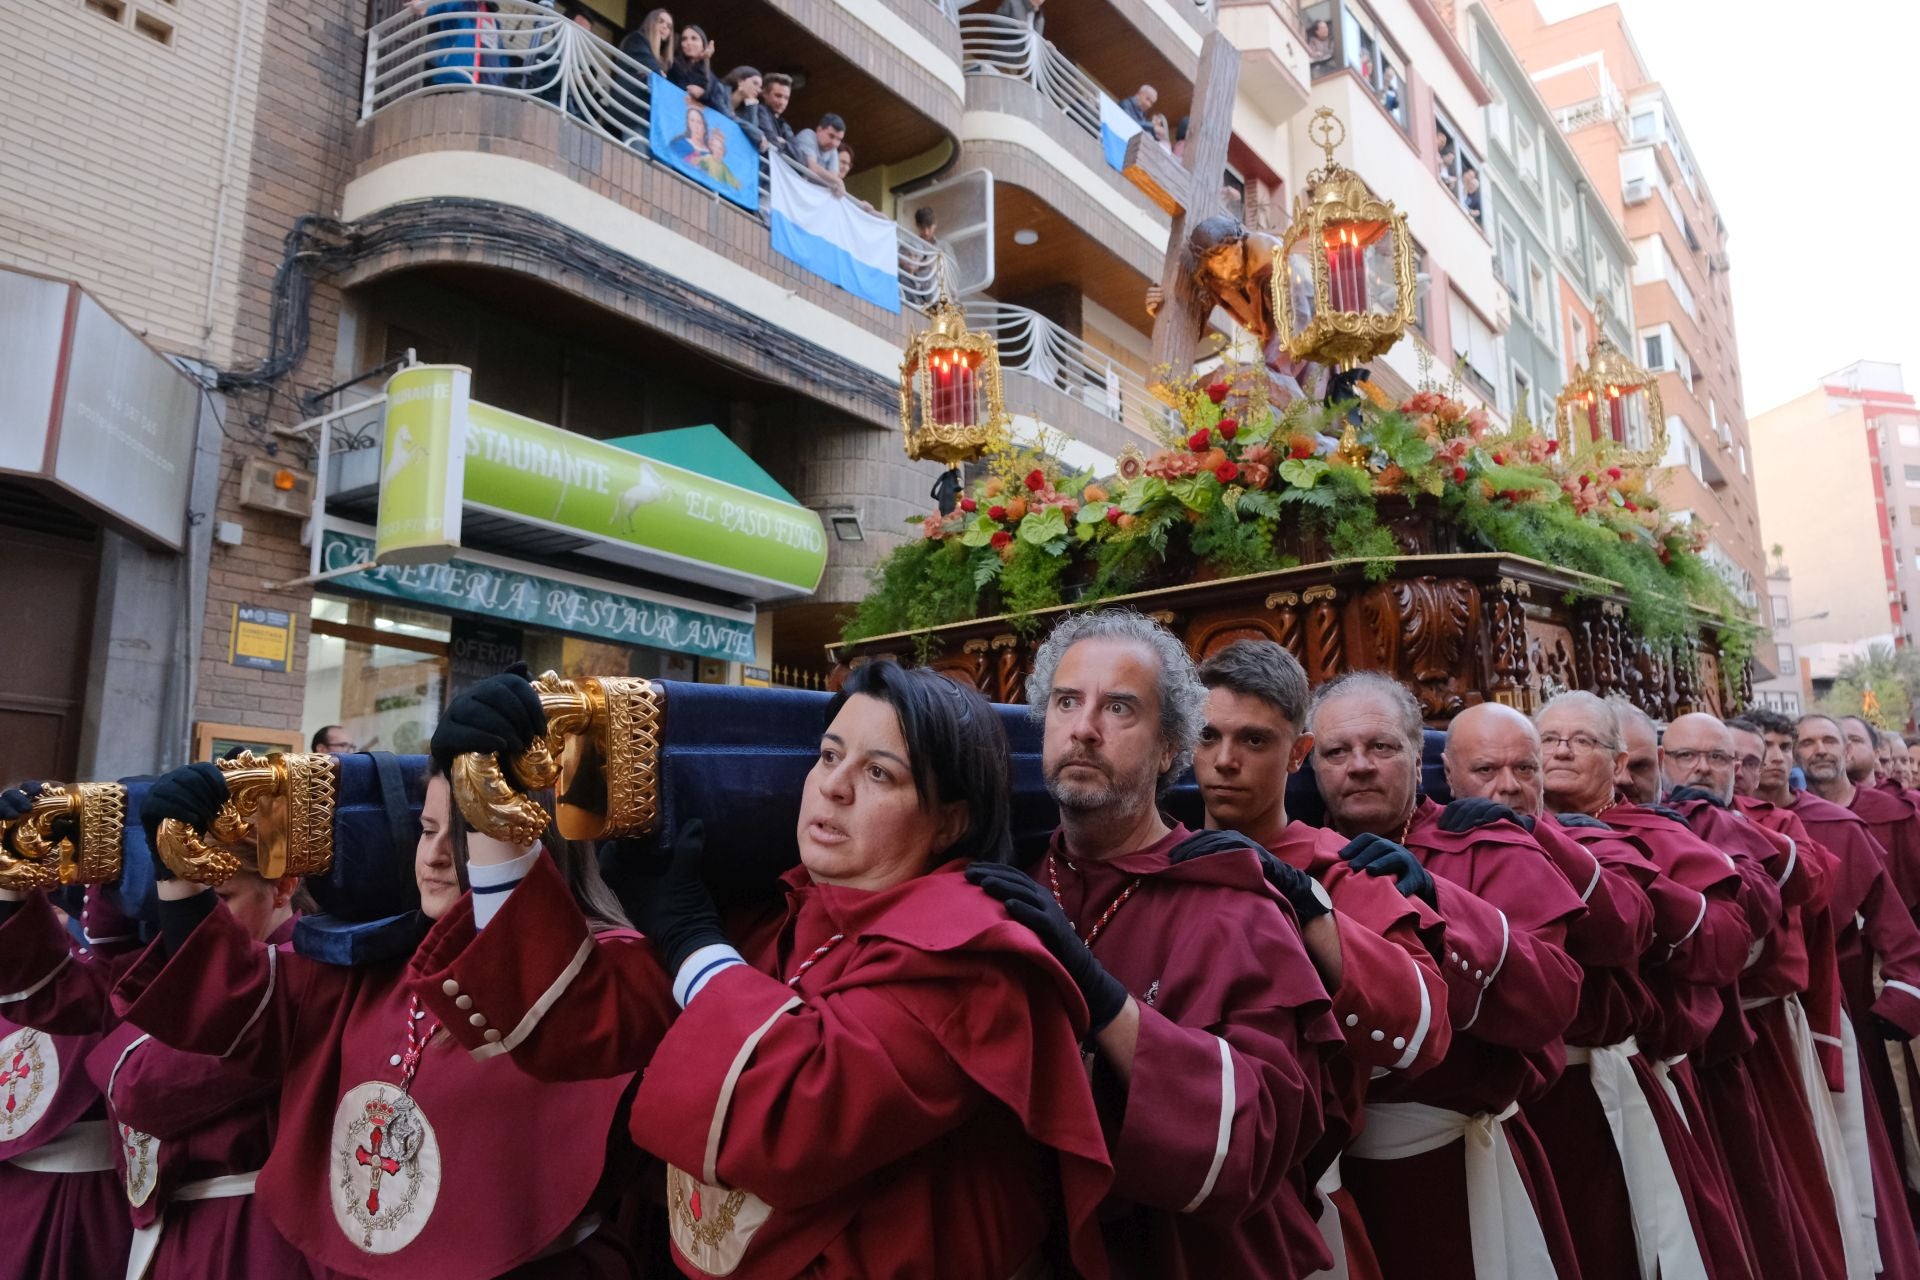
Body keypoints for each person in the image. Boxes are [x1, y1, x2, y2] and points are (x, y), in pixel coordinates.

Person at [413, 662, 1114, 1278]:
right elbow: (578, 1020)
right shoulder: (783, 914)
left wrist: (691, 940)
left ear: (951, 821)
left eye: (879, 773)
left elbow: (794, 1107)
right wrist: (494, 815)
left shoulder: (974, 954)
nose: (833, 787)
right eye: (829, 755)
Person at [113, 687, 667, 1277]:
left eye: (463, 834)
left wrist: (496, 821)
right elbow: (228, 1005)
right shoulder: (375, 959)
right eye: (427, 831)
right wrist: (181, 874)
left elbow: (548, 1000)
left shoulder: (608, 967)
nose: (434, 857)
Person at [970, 610, 1342, 1278]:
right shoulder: (1008, 890)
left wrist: (1108, 1003)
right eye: (1066, 702)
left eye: (1119, 708)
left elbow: (1257, 1141)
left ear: (1172, 747)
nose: (1084, 728)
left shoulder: (1238, 908)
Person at [1307, 672, 1586, 1280]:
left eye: (1381, 747)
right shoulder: (1292, 854)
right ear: (1311, 762)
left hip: (1451, 1165)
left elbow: (1554, 999)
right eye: (1337, 751)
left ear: (1417, 753)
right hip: (1326, 1185)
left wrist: (1440, 899)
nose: (1359, 766)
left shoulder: (1483, 843)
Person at [1193, 640, 1451, 1278]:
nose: (1224, 762)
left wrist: (1315, 915)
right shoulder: (1159, 857)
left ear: (1298, 753)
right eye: (1208, 736)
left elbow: (1428, 1028)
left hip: (1298, 1214)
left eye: (1254, 741)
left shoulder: (1339, 870)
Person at [0, 795, 318, 1280]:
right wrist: (14, 879)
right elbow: (52, 993)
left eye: (219, 899)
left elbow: (143, 1085)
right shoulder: (179, 964)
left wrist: (111, 1038)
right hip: (170, 1231)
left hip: (255, 1239)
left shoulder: (303, 970)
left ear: (281, 888)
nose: (194, 920)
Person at [1442, 701, 1692, 1280]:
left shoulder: (1585, 840)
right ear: (1449, 774)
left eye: (1524, 769)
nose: (1507, 787)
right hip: (1490, 1110)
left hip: (1585, 1093)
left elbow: (1628, 928)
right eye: (1485, 771)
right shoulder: (1432, 841)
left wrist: (1538, 836)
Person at [1660, 712, 1856, 1280]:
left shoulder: (1769, 824)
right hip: (1677, 1043)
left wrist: (1731, 831)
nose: (1703, 769)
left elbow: (1807, 884)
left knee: (1782, 1182)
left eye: (1720, 759)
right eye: (1686, 757)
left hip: (1761, 1028)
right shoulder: (1646, 826)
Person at [1732, 712, 1920, 1277]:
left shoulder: (1834, 825)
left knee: (1863, 1147)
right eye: (1749, 753)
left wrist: (1895, 1007)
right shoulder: (1696, 826)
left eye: (1777, 747)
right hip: (1743, 1032)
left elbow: (1898, 930)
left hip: (1836, 1010)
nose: (1765, 760)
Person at [1798, 713, 1920, 909]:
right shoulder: (1790, 820)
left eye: (1830, 741)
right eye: (1807, 743)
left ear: (1847, 751)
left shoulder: (1897, 809)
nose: (1820, 750)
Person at [668, 24, 724, 105]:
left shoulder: (712, 78)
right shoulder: (674, 65)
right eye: (684, 39)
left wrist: (703, 95)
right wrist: (702, 59)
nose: (689, 43)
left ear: (703, 44)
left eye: (694, 38)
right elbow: (685, 85)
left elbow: (719, 104)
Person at [793, 113, 846, 196]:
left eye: (839, 139)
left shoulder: (833, 151)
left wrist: (835, 181)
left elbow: (833, 180)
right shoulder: (808, 135)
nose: (834, 143)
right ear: (819, 130)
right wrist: (838, 181)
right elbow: (813, 167)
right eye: (831, 136)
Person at [721, 66, 767, 152]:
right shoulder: (720, 90)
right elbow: (724, 115)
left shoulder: (745, 111)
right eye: (755, 83)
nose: (759, 90)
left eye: (760, 87)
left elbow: (752, 133)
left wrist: (751, 105)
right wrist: (759, 134)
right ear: (741, 81)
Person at [618, 6, 674, 76]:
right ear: (651, 22)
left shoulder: (664, 59)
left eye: (669, 26)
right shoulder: (637, 39)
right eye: (661, 21)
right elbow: (651, 67)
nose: (665, 27)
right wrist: (660, 74)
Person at [756, 71, 797, 158]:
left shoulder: (785, 125)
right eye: (778, 96)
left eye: (786, 98)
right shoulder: (759, 110)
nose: (782, 102)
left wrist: (785, 143)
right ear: (764, 94)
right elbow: (772, 141)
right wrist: (786, 146)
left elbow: (801, 159)